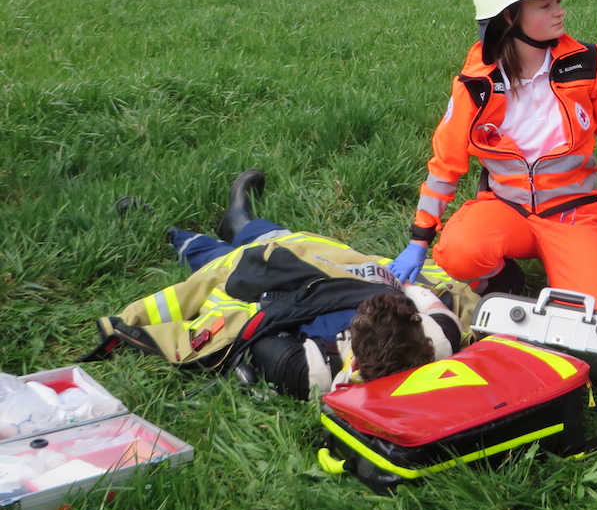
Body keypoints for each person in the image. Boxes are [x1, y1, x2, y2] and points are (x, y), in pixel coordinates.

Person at [388, 0, 597, 316]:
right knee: (457, 251)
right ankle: (504, 281)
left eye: (558, 1)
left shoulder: (587, 62)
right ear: (508, 16)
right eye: (546, 5)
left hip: (572, 213)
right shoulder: (476, 85)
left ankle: (573, 263)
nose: (560, 11)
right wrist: (419, 240)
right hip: (506, 209)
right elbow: (445, 165)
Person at [93, 169, 475, 399]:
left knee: (239, 263)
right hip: (339, 274)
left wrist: (273, 289)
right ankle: (239, 221)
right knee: (294, 245)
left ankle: (174, 233)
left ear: (354, 356)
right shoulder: (442, 335)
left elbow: (262, 329)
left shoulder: (308, 370)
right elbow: (421, 296)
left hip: (290, 292)